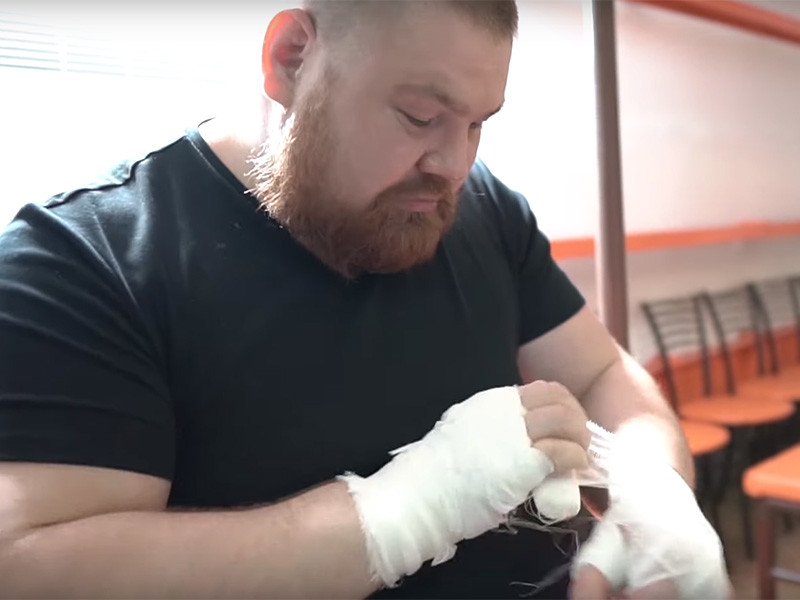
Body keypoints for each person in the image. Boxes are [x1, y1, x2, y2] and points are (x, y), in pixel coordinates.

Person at [0, 1, 729, 598]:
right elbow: (29, 564)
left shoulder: (484, 210)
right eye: (420, 116)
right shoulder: (84, 257)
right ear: (292, 58)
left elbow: (602, 372)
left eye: (479, 123)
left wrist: (656, 496)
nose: (454, 164)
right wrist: (401, 514)